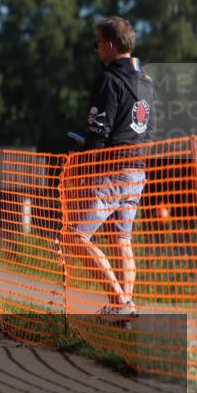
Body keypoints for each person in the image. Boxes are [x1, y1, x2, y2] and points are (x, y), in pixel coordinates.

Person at [64, 16, 155, 320]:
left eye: (97, 44)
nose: (96, 50)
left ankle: (119, 301)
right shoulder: (146, 80)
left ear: (110, 45)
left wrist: (83, 167)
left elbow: (99, 130)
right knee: (122, 240)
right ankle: (123, 308)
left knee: (74, 236)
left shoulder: (109, 79)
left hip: (111, 170)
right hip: (137, 170)